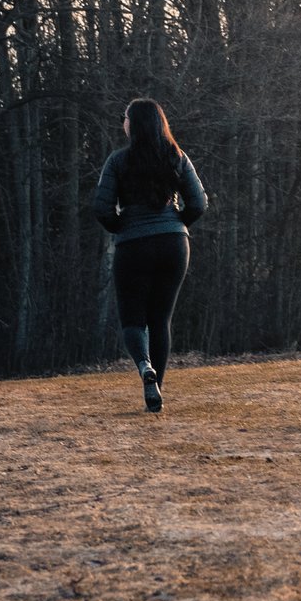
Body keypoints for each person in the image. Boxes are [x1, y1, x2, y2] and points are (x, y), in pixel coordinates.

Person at [91, 99, 207, 413]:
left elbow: (101, 209)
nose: (122, 122)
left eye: (124, 117)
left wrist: (123, 226)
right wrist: (175, 224)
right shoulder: (177, 156)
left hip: (133, 245)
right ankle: (156, 390)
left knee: (132, 318)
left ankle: (145, 367)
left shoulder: (117, 162)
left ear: (135, 124)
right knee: (160, 319)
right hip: (173, 245)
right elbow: (198, 203)